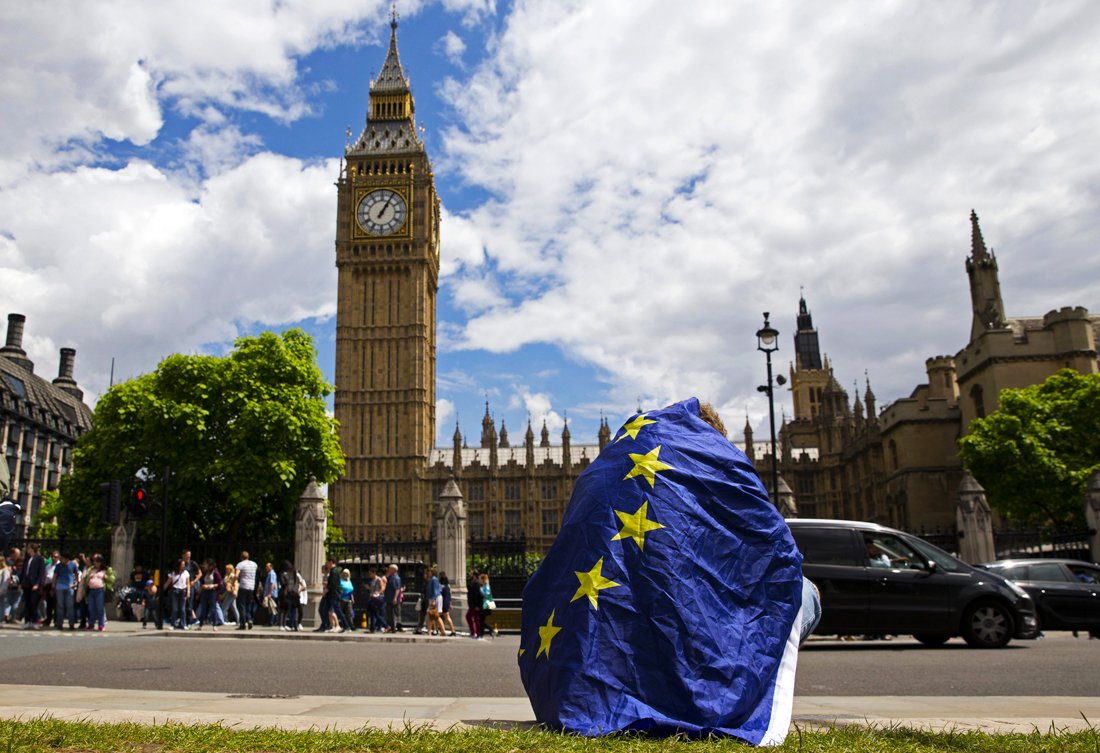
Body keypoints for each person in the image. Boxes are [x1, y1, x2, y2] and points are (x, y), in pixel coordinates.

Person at [19, 543, 46, 629]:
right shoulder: (27, 559)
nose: (27, 550)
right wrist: (21, 583)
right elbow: (24, 571)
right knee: (27, 603)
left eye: (28, 548)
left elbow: (41, 573)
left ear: (32, 549)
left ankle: (34, 621)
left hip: (34, 584)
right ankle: (27, 621)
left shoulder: (39, 559)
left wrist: (37, 583)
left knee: (33, 603)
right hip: (26, 584)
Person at [196, 558, 224, 631]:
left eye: (206, 564)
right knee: (203, 609)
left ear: (210, 565)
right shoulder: (205, 573)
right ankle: (200, 625)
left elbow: (220, 583)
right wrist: (202, 587)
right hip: (205, 592)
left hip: (212, 592)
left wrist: (213, 585)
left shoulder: (215, 573)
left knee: (213, 609)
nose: (205, 566)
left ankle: (214, 625)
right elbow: (202, 582)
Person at [53, 552, 78, 630]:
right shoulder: (58, 566)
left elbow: (76, 573)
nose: (61, 560)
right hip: (60, 587)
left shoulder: (73, 565)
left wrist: (76, 582)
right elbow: (55, 575)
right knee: (60, 606)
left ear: (67, 559)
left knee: (70, 606)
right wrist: (53, 584)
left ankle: (71, 624)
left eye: (62, 558)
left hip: (69, 587)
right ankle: (59, 623)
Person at [84, 554, 109, 631]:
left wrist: (106, 578)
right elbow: (86, 578)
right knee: (91, 608)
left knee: (100, 608)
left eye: (97, 561)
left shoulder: (105, 570)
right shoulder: (91, 570)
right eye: (94, 561)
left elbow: (110, 580)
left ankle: (101, 625)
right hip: (91, 590)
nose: (96, 563)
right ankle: (91, 624)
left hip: (99, 590)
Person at [234, 551, 258, 630]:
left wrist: (233, 581)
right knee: (248, 605)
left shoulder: (240, 564)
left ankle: (243, 624)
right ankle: (249, 619)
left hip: (243, 587)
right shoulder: (254, 564)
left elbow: (237, 575)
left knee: (241, 606)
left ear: (241, 557)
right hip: (251, 587)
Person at [167, 558, 191, 630]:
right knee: (175, 609)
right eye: (182, 564)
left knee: (183, 609)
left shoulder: (186, 572)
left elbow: (188, 583)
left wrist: (188, 591)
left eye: (184, 565)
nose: (183, 566)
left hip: (183, 591)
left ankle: (183, 624)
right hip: (175, 591)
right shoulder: (173, 573)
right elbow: (168, 582)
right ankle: (173, 624)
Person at [281, 561, 304, 632]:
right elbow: (288, 585)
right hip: (291, 594)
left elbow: (302, 585)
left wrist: (297, 591)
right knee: (291, 611)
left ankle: (294, 625)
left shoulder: (295, 576)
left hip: (294, 595)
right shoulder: (291, 576)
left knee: (292, 611)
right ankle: (293, 626)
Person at [383, 564, 403, 633]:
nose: (388, 570)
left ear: (394, 570)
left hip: (393, 599)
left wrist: (395, 598)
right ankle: (392, 627)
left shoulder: (396, 578)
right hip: (389, 598)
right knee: (390, 614)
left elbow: (397, 589)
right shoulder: (391, 577)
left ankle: (394, 628)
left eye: (390, 569)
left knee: (393, 614)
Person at [367, 567, 386, 633]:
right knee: (372, 613)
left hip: (377, 599)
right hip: (372, 598)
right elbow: (373, 589)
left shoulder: (378, 579)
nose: (369, 575)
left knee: (375, 614)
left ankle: (385, 626)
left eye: (370, 573)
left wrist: (378, 593)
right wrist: (369, 588)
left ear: (374, 573)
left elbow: (383, 588)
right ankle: (372, 628)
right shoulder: (373, 580)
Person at [466, 569, 483, 639]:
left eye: (471, 573)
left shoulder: (476, 583)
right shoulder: (473, 582)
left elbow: (477, 594)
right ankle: (474, 632)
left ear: (474, 575)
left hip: (475, 605)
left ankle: (477, 633)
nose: (470, 574)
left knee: (475, 619)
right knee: (470, 617)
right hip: (472, 604)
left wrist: (477, 605)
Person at [478, 572, 496, 638]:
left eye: (479, 579)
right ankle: (482, 634)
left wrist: (480, 591)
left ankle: (491, 630)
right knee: (481, 620)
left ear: (482, 579)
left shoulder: (487, 586)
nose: (478, 580)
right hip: (484, 605)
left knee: (481, 620)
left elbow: (487, 595)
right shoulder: (483, 586)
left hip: (486, 605)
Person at [438, 571, 456, 636]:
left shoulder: (440, 586)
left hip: (442, 602)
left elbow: (438, 594)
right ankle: (452, 630)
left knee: (438, 616)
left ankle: (442, 631)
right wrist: (450, 604)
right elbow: (450, 595)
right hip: (447, 601)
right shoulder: (448, 586)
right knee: (447, 617)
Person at [262, 562, 279, 627]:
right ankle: (271, 621)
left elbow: (272, 584)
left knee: (271, 608)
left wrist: (269, 593)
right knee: (270, 608)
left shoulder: (272, 574)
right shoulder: (270, 574)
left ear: (271, 567)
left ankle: (271, 622)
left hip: (271, 594)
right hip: (269, 593)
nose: (266, 568)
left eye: (267, 566)